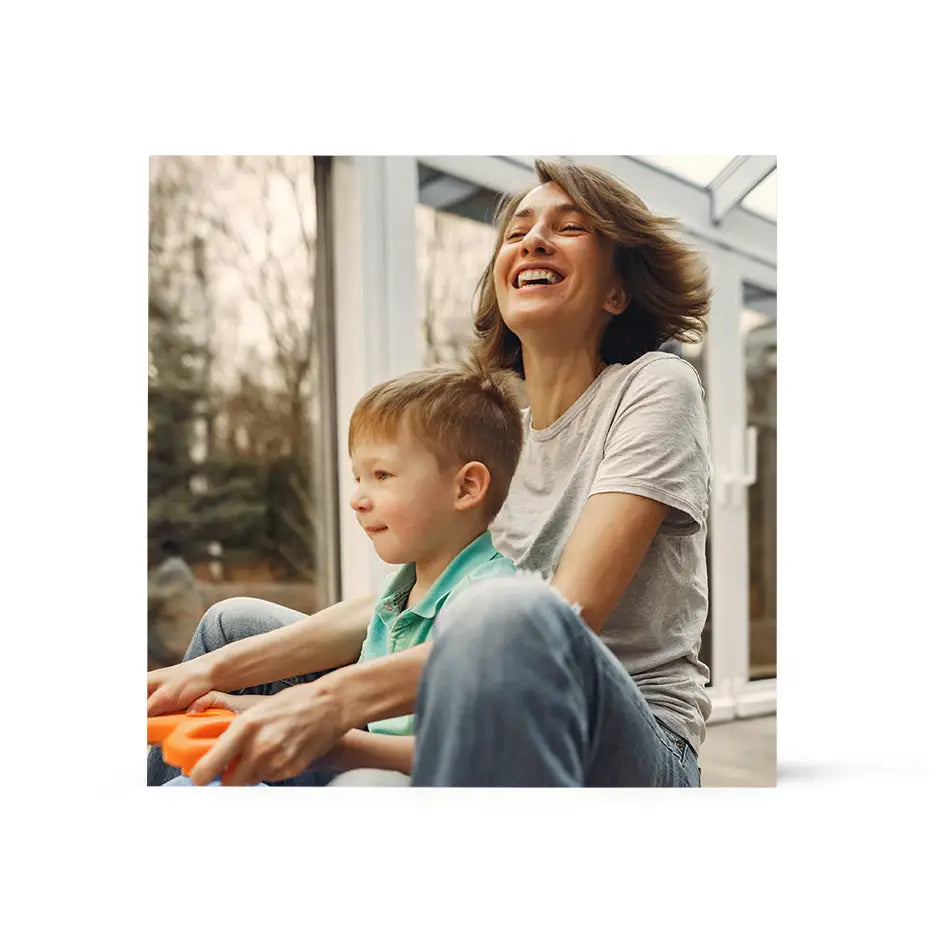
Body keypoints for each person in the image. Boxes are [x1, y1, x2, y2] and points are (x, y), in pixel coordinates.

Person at [147, 157, 712, 787]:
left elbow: (557, 623)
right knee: (230, 628)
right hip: (480, 673)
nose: (532, 239)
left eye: (570, 227)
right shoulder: (508, 439)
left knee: (507, 612)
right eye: (517, 230)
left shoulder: (656, 388)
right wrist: (204, 675)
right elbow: (414, 602)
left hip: (625, 737)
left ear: (617, 291)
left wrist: (330, 711)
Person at [149, 363, 523, 785]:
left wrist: (330, 746)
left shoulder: (489, 604)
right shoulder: (406, 588)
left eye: (382, 475)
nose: (358, 499)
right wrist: (255, 709)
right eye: (358, 477)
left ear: (466, 487)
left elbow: (469, 758)